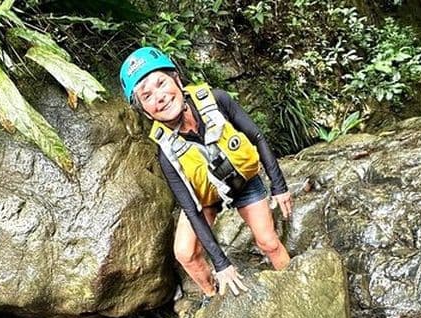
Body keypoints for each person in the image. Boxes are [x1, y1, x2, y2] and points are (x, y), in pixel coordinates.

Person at [120, 46, 294, 297]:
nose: (159, 97)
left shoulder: (217, 100)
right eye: (147, 96)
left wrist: (279, 187)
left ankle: (295, 290)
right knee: (184, 253)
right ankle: (213, 295)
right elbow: (191, 209)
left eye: (161, 83)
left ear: (177, 80)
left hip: (242, 181)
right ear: (145, 111)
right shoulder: (166, 154)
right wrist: (222, 264)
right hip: (205, 197)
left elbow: (256, 137)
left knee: (268, 242)